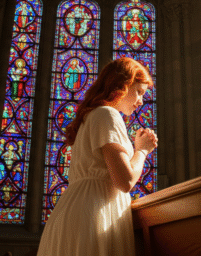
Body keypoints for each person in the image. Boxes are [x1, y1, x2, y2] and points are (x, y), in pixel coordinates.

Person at [37, 57, 158, 256]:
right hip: (95, 214)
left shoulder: (91, 116)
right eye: (139, 92)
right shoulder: (108, 115)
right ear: (123, 85)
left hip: (76, 210)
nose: (141, 101)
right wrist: (142, 150)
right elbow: (125, 181)